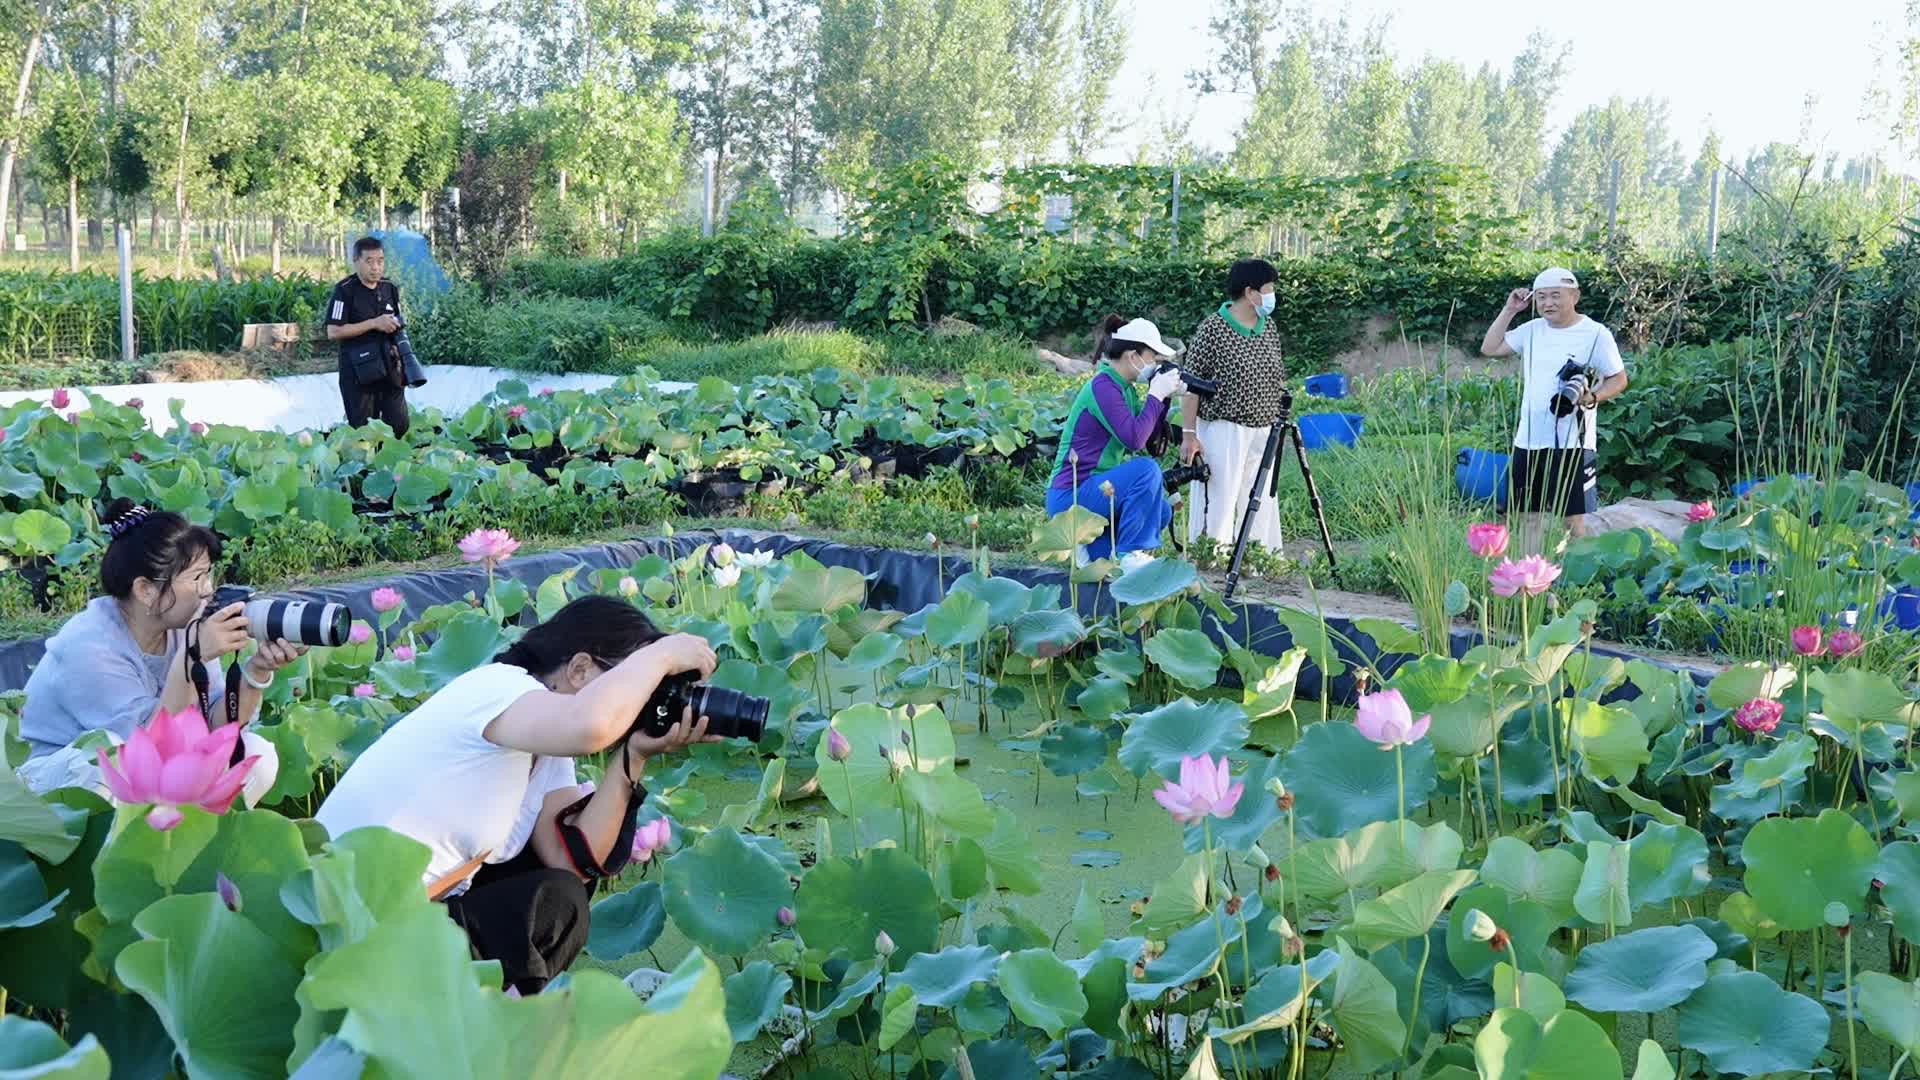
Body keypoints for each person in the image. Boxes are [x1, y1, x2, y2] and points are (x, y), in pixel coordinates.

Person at [314, 595, 720, 995]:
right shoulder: (498, 688)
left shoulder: (542, 741)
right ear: (579, 668)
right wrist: (663, 655)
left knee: (559, 887)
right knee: (554, 902)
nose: (636, 703)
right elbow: (591, 726)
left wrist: (633, 755)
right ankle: (486, 1033)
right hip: (349, 925)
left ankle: (489, 1021)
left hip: (406, 914)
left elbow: (574, 859)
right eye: (633, 681)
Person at [19, 499, 305, 759]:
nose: (207, 590)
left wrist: (257, 671)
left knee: (258, 754)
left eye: (208, 574)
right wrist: (193, 656)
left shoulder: (184, 623)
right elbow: (148, 749)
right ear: (145, 590)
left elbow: (216, 724)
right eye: (196, 577)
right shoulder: (88, 647)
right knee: (103, 772)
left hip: (141, 766)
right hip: (59, 781)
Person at [1480, 267, 1630, 550]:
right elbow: (1490, 348)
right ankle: (1530, 578)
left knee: (1572, 519)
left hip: (1574, 442)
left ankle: (1580, 577)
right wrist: (1510, 310)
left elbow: (1619, 378)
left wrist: (1592, 397)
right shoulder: (1532, 330)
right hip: (1529, 439)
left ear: (1575, 296)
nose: (1548, 303)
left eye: (1556, 296)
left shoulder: (1596, 333)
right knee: (1527, 515)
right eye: (1542, 297)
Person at [1046, 315, 1187, 561]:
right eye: (1152, 357)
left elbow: (1148, 442)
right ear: (1133, 356)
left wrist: (1163, 398)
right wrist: (1154, 394)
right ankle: (1129, 554)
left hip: (1098, 492)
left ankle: (1091, 551)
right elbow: (1133, 439)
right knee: (1146, 471)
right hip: (1072, 495)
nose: (1154, 364)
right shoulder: (1103, 386)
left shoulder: (1124, 390)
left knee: (1160, 510)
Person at [1178, 258, 1287, 553]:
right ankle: (1212, 555)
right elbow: (1190, 385)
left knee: (1261, 496)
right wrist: (1189, 434)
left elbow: (1276, 374)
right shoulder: (1213, 329)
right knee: (1221, 496)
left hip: (1264, 427)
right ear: (1250, 292)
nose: (1271, 294)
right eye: (1268, 288)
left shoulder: (1268, 328)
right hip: (1224, 426)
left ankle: (1257, 556)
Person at [326, 236, 413, 437]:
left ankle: (389, 464)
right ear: (356, 261)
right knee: (363, 430)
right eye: (369, 261)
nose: (376, 267)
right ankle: (368, 467)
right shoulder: (344, 290)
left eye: (380, 261)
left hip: (389, 366)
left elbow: (397, 321)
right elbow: (333, 331)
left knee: (399, 423)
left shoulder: (389, 287)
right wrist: (375, 323)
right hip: (358, 370)